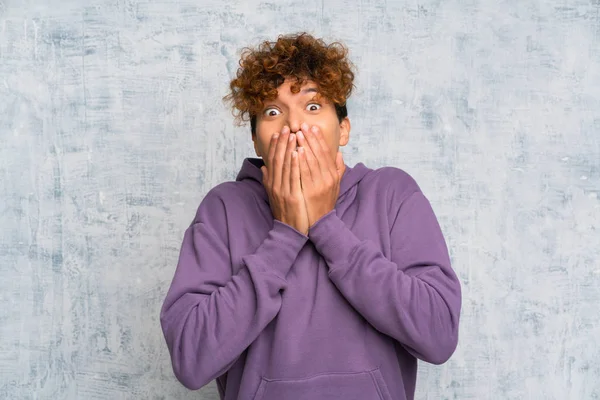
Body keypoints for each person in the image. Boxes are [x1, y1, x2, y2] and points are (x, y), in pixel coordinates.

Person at [160, 32, 462, 400]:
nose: (294, 125)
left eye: (313, 106)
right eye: (272, 112)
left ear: (344, 129)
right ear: (256, 140)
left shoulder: (393, 195)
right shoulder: (224, 208)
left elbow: (439, 335)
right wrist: (285, 234)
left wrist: (327, 227)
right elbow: (191, 360)